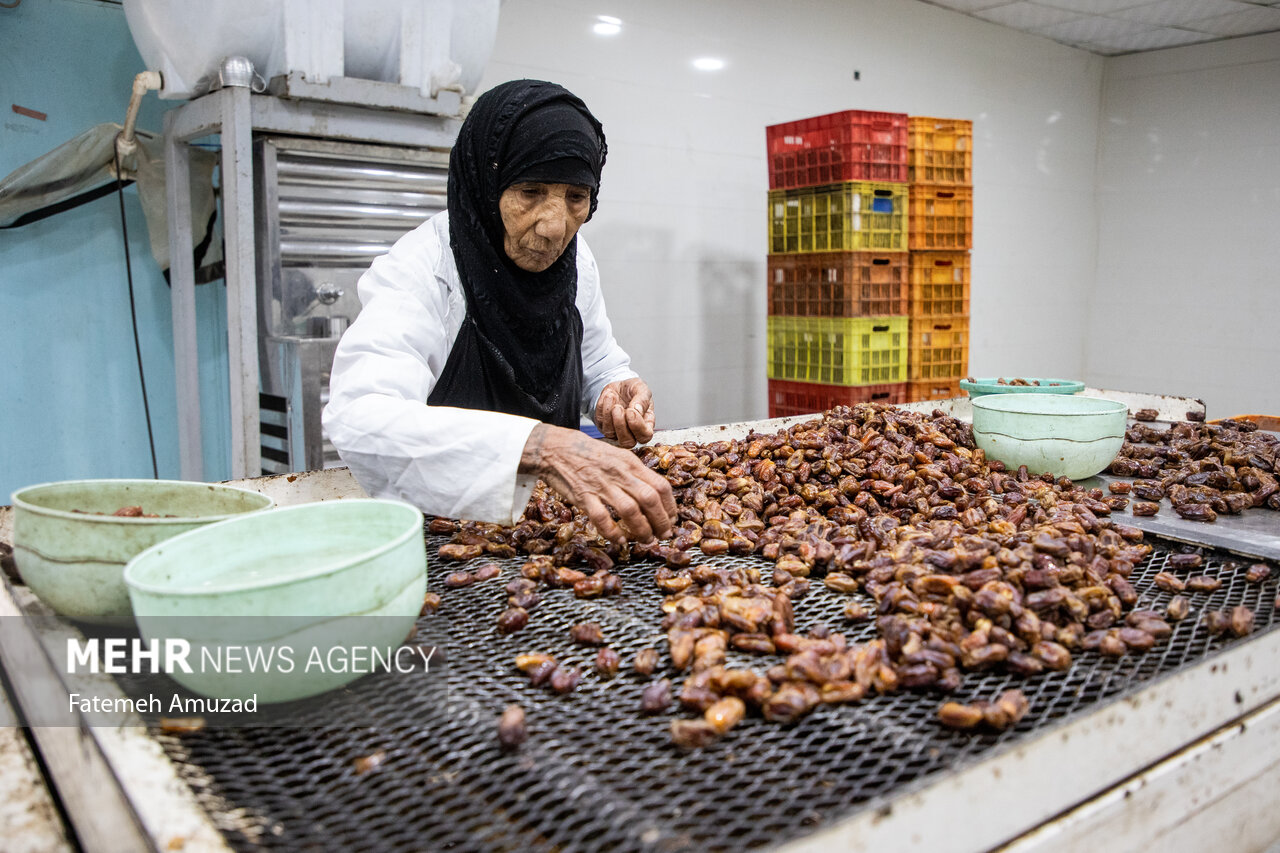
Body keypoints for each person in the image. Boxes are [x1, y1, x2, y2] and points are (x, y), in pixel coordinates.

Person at [322, 79, 676, 546]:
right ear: (487, 185)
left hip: (558, 535)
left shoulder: (576, 259)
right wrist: (539, 447)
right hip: (444, 539)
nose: (555, 227)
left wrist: (614, 389)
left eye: (576, 197)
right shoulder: (422, 270)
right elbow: (361, 418)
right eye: (530, 191)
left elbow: (597, 357)